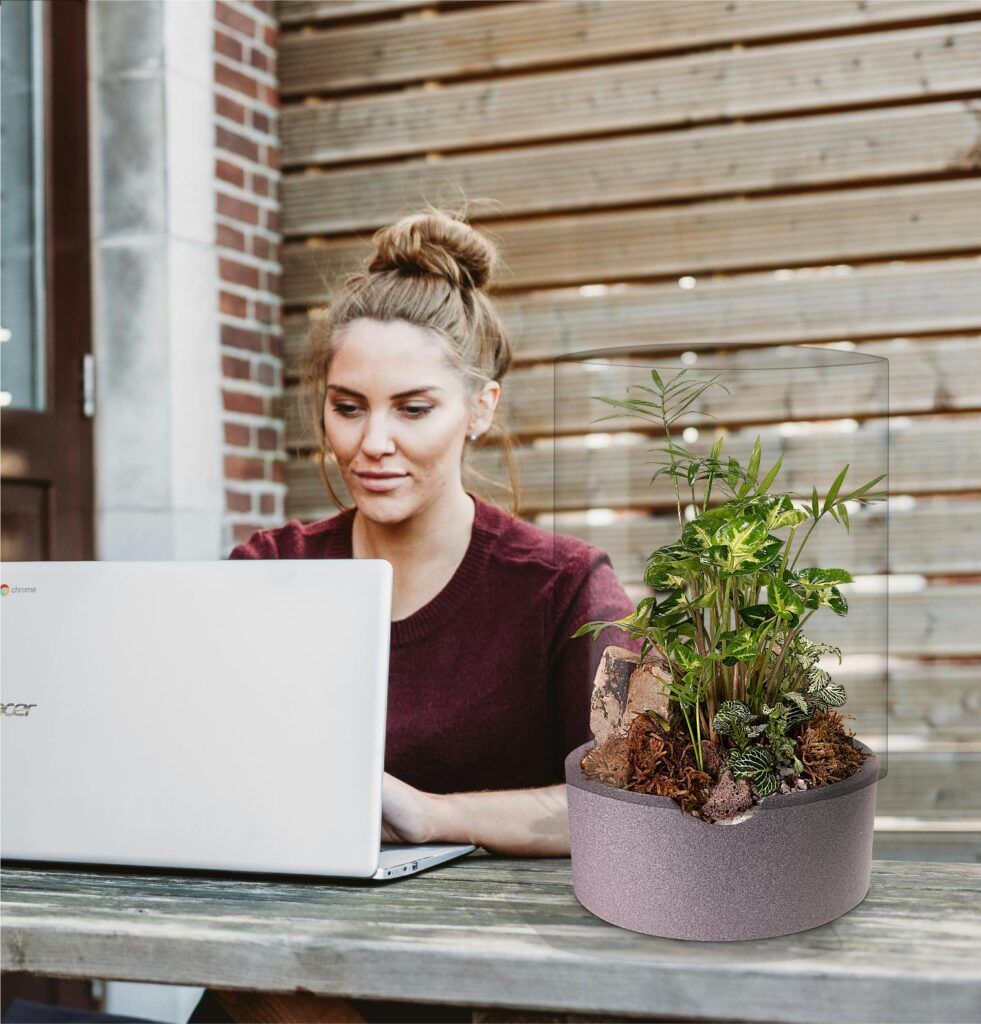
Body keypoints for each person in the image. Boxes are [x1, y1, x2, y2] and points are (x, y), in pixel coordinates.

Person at [188, 206, 638, 1024]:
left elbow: (641, 802)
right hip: (277, 987)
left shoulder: (565, 589)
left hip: (476, 991)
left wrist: (432, 815)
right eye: (348, 406)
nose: (371, 444)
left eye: (413, 408)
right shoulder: (269, 571)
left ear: (481, 408)